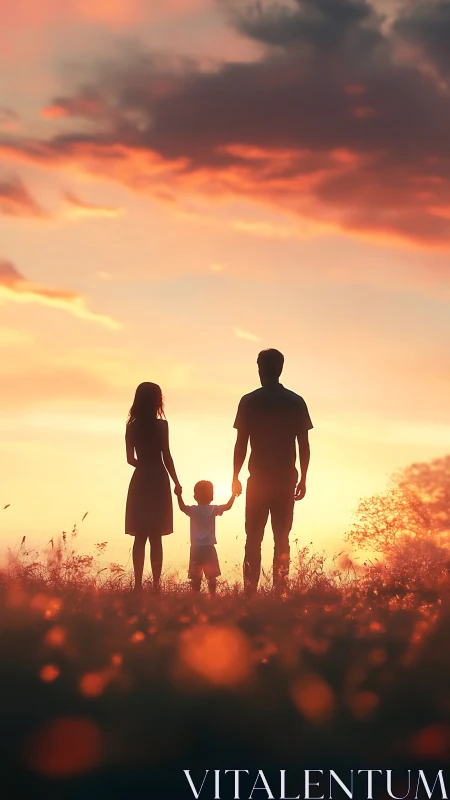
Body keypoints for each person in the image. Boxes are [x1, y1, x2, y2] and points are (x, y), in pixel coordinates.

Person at [232, 349, 313, 594]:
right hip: (286, 478)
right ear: (280, 369)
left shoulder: (249, 400)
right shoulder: (295, 401)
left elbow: (241, 443)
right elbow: (304, 444)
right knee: (282, 538)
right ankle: (280, 591)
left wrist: (234, 476)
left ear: (260, 369)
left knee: (253, 538)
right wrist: (304, 477)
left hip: (258, 479)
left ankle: (249, 592)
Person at [125, 382, 182, 594]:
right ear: (157, 400)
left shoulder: (131, 427)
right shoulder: (162, 426)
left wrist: (144, 466)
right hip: (159, 478)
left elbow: (130, 459)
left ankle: (138, 584)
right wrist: (176, 481)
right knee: (156, 535)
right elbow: (166, 455)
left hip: (141, 479)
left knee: (140, 535)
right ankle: (156, 584)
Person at [176, 481, 236, 595]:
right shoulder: (213, 509)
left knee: (196, 578)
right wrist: (233, 495)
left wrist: (179, 495)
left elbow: (182, 507)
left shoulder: (193, 510)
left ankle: (195, 598)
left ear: (195, 497)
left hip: (196, 549)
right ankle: (212, 597)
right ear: (212, 496)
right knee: (211, 577)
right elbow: (228, 506)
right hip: (209, 548)